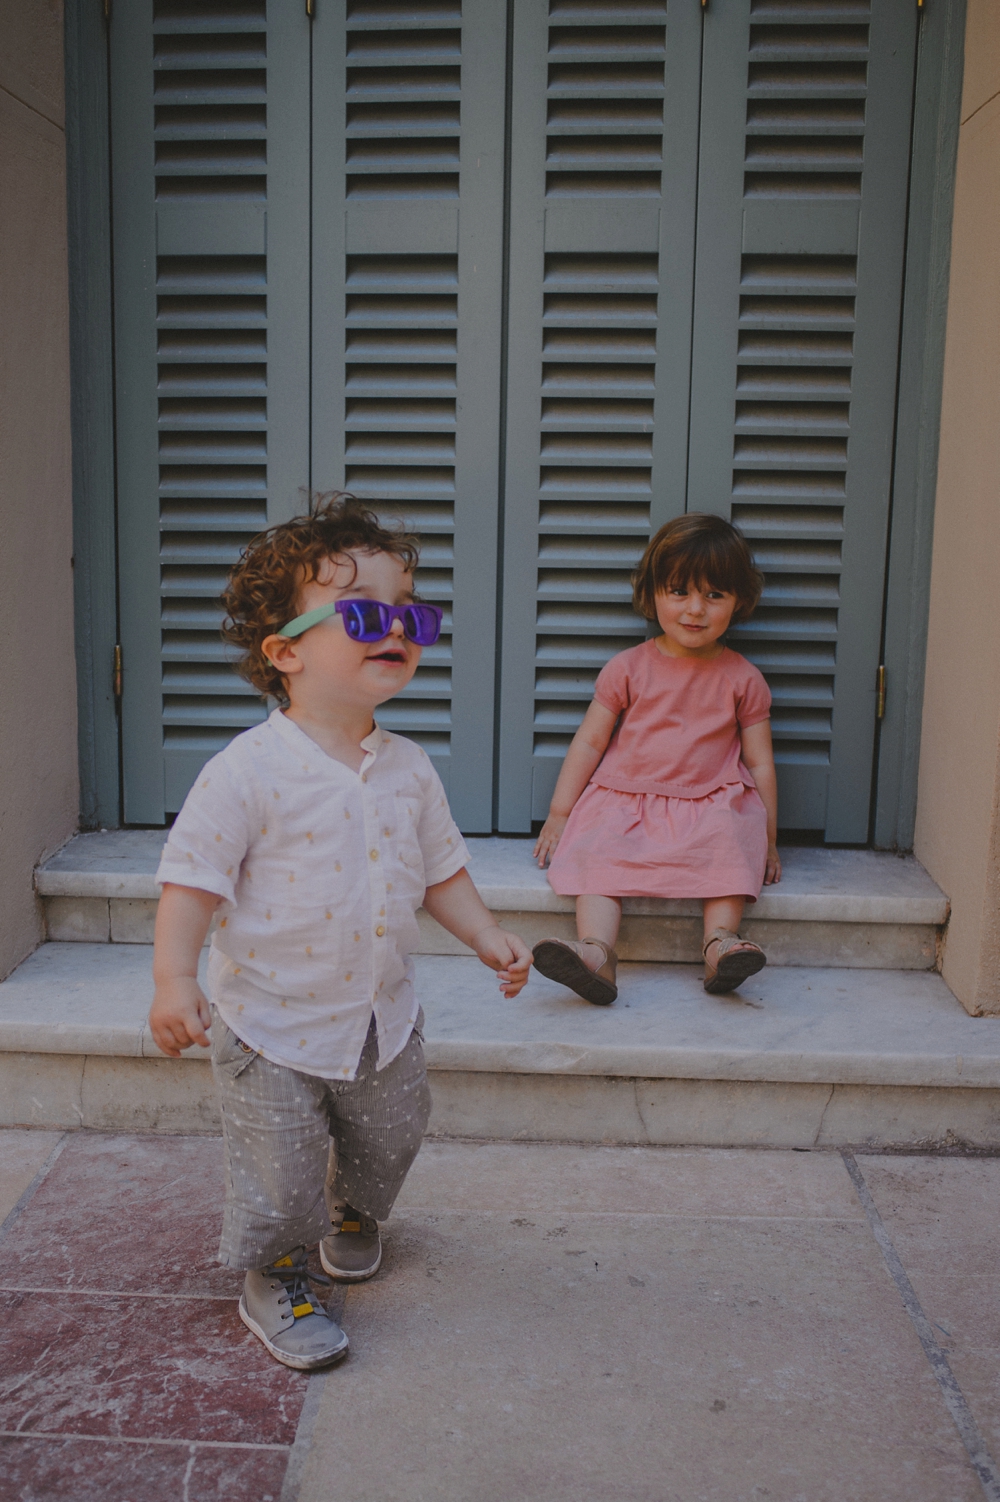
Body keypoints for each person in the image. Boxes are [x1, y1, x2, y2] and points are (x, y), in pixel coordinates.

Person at [149, 494, 531, 1370]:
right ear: (285, 653)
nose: (394, 627)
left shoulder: (408, 767)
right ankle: (274, 1273)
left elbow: (441, 871)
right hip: (269, 1024)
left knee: (390, 1135)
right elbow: (192, 884)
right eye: (363, 613)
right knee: (280, 1171)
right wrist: (175, 981)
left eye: (411, 614)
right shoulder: (245, 772)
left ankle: (354, 1212)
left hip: (379, 1017)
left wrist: (486, 935)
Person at [531, 512, 780, 1005]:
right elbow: (589, 742)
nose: (695, 609)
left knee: (730, 840)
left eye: (714, 595)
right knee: (598, 851)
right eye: (679, 591)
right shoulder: (628, 667)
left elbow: (761, 765)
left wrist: (768, 839)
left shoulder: (743, 678)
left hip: (708, 799)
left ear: (739, 601)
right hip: (628, 799)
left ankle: (720, 945)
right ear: (652, 594)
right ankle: (595, 953)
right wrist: (560, 813)